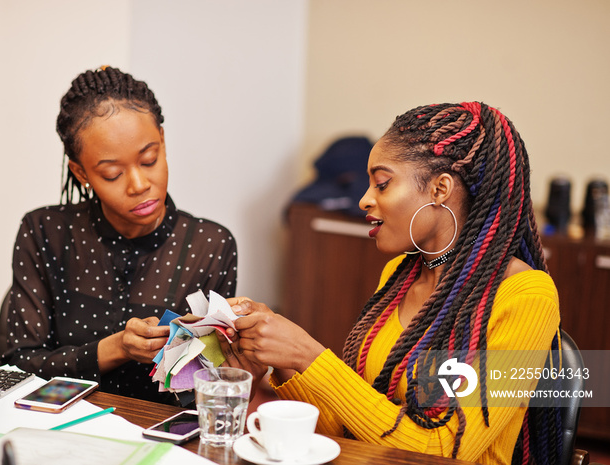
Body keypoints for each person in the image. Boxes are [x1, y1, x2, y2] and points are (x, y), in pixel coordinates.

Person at [222, 102, 561, 464]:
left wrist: (309, 354)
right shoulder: (399, 276)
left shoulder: (526, 296)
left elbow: (443, 450)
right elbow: (354, 429)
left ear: (439, 189)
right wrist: (286, 359)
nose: (365, 199)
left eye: (382, 183)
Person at [0, 66, 238, 406]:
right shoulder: (44, 232)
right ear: (80, 172)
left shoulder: (210, 245)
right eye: (112, 174)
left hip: (158, 440)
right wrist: (116, 348)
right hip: (57, 430)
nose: (139, 185)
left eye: (149, 159)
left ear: (163, 142)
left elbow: (211, 384)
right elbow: (14, 368)